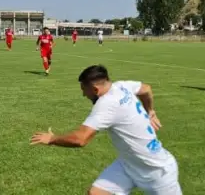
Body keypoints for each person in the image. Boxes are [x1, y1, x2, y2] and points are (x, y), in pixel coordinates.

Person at [30, 65, 181, 195]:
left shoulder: (106, 104)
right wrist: (150, 111)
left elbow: (80, 139)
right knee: (95, 193)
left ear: (95, 89)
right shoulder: (122, 85)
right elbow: (146, 89)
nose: (84, 95)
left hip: (157, 171)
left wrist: (52, 139)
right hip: (128, 163)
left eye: (84, 90)